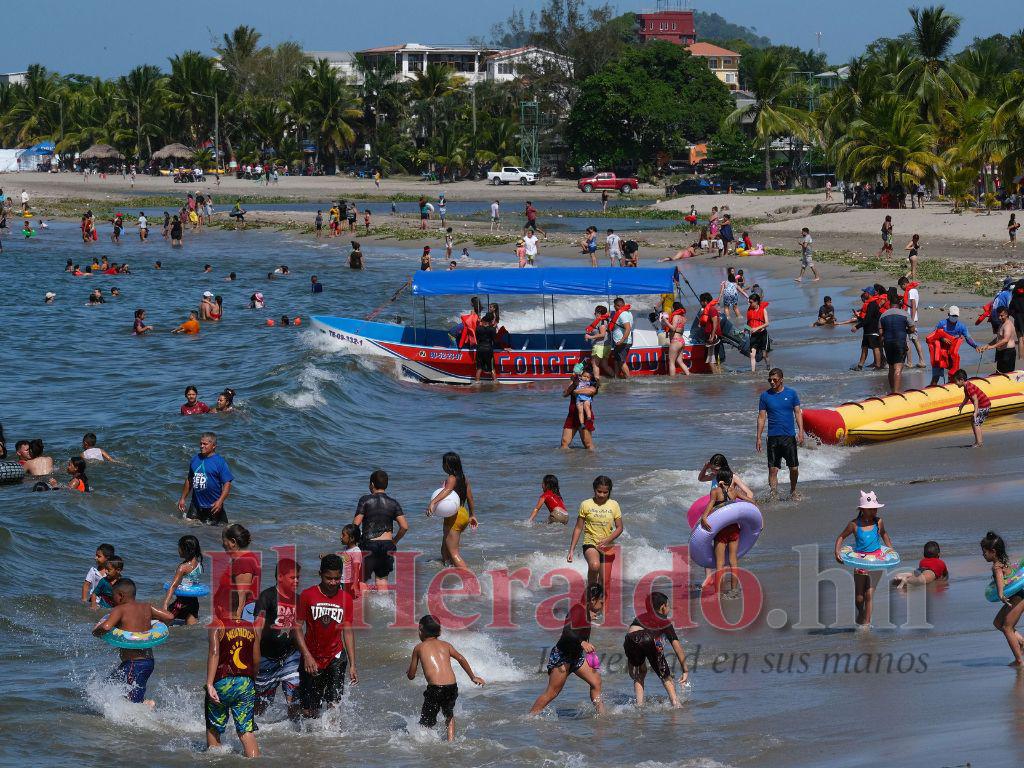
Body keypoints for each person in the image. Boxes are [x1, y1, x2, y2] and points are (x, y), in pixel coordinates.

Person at [294, 554, 358, 718]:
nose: (333, 583)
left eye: (337, 578)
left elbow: (348, 631)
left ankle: (333, 740)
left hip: (336, 656)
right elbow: (297, 627)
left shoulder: (346, 599)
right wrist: (307, 656)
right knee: (309, 710)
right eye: (328, 578)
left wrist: (352, 664)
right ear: (320, 574)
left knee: (334, 705)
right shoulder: (308, 595)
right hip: (312, 657)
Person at [93, 579, 175, 706]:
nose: (112, 600)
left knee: (132, 703)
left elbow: (106, 627)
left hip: (134, 664)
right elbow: (169, 617)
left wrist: (95, 632)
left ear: (120, 596)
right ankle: (143, 704)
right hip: (147, 662)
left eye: (112, 596)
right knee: (110, 684)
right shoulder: (147, 607)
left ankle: (148, 706)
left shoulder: (119, 609)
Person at [529, 584, 605, 715]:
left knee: (596, 682)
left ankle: (601, 716)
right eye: (601, 602)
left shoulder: (585, 612)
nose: (602, 606)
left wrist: (588, 648)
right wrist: (582, 643)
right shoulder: (577, 610)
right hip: (562, 657)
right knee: (552, 693)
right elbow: (567, 631)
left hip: (576, 657)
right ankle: (529, 717)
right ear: (593, 600)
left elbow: (581, 633)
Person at [407, 614, 485, 741]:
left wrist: (409, 671)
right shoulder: (446, 645)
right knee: (449, 715)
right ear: (440, 631)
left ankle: (425, 742)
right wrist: (473, 677)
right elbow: (460, 658)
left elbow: (411, 676)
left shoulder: (418, 648)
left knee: (426, 722)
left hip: (435, 689)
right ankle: (451, 741)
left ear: (420, 630)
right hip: (452, 687)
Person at [205, 599, 261, 757]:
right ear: (241, 606)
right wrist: (251, 682)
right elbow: (256, 660)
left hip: (222, 683)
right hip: (246, 683)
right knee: (246, 730)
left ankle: (215, 759)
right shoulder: (252, 628)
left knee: (214, 727)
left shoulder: (218, 624)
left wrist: (209, 684)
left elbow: (214, 653)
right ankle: (255, 760)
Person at [834, 490, 893, 628]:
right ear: (862, 510)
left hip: (877, 561)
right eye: (871, 508)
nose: (875, 510)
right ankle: (861, 612)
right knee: (859, 598)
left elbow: (884, 535)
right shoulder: (854, 525)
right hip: (860, 561)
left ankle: (866, 624)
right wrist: (836, 551)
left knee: (869, 594)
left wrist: (890, 550)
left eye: (875, 508)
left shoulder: (879, 522)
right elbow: (841, 537)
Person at [254, 558, 302, 721]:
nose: (297, 581)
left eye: (298, 577)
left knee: (294, 696)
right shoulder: (266, 597)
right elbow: (257, 629)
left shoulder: (298, 599)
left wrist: (308, 654)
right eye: (292, 577)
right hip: (266, 659)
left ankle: (296, 733)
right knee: (261, 707)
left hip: (290, 656)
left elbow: (300, 630)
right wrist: (253, 657)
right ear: (280, 577)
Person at [624, 591, 689, 708]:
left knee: (640, 673)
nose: (669, 608)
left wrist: (631, 665)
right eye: (668, 606)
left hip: (630, 638)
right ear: (663, 607)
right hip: (649, 639)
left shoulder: (639, 617)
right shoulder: (664, 621)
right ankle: (675, 702)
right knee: (665, 675)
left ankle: (639, 705)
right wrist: (685, 670)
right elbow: (676, 646)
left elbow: (634, 638)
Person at [699, 467, 755, 593]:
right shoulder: (734, 491)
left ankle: (718, 592)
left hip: (721, 531)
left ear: (718, 479)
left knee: (720, 563)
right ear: (730, 479)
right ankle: (734, 590)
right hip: (734, 529)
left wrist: (703, 518)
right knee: (733, 560)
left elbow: (709, 507)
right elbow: (750, 500)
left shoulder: (715, 492)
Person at [353, 469, 408, 590]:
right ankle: (384, 607)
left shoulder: (365, 500)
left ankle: (365, 607)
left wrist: (353, 544)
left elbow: (355, 525)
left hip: (369, 544)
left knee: (363, 579)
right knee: (382, 580)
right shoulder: (393, 503)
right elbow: (404, 526)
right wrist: (394, 541)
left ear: (372, 484)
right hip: (387, 544)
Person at [756, 368, 804, 501]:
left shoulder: (792, 393)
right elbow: (761, 417)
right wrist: (759, 437)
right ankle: (774, 494)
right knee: (773, 469)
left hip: (788, 436)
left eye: (774, 380)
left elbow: (798, 413)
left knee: (793, 468)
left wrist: (800, 431)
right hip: (772, 437)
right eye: (769, 380)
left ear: (781, 379)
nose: (771, 382)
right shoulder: (765, 396)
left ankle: (793, 490)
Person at [568, 475, 623, 588]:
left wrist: (608, 540)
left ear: (609, 492)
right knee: (594, 565)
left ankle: (600, 603)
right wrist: (571, 550)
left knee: (605, 583)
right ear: (594, 489)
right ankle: (590, 591)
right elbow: (578, 528)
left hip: (607, 546)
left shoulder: (614, 505)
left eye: (605, 492)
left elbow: (619, 527)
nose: (602, 495)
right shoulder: (586, 504)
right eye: (599, 491)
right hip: (590, 543)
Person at [979, 531, 1024, 666]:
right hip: (1017, 596)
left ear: (992, 551)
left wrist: (1000, 595)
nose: (983, 555)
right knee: (998, 623)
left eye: (984, 552)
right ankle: (1021, 642)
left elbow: (1000, 579)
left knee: (1007, 627)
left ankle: (1019, 660)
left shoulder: (996, 566)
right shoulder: (1004, 561)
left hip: (1018, 598)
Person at [426, 452, 476, 569]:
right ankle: (450, 573)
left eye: (443, 463)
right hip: (463, 513)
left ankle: (469, 577)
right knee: (444, 550)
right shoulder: (464, 479)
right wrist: (473, 515)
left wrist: (433, 502)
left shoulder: (451, 478)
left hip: (454, 517)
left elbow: (447, 490)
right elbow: (470, 498)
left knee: (454, 553)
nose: (442, 465)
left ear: (447, 465)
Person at [178, 431, 234, 524]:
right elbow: (189, 480)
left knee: (217, 531)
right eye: (200, 443)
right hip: (196, 504)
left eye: (205, 444)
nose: (201, 446)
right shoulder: (195, 459)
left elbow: (227, 484)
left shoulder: (220, 462)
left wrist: (220, 501)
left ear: (214, 446)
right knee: (188, 526)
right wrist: (183, 498)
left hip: (213, 505)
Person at [929, 307, 979, 385]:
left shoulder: (961, 326)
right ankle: (931, 389)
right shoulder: (942, 324)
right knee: (936, 376)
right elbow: (933, 336)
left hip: (951, 354)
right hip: (939, 353)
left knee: (954, 375)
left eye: (956, 316)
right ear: (948, 314)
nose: (954, 317)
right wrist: (942, 338)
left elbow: (968, 337)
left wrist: (975, 346)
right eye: (953, 315)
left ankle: (951, 388)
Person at [162, 535, 204, 626]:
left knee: (162, 622)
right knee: (191, 629)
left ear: (186, 549)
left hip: (180, 604)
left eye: (179, 547)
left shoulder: (183, 567)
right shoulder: (199, 565)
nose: (178, 550)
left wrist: (165, 603)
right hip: (194, 603)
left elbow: (173, 586)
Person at [879, 287, 914, 394]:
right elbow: (912, 329)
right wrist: (905, 330)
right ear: (899, 304)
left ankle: (891, 391)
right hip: (900, 342)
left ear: (890, 304)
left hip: (888, 343)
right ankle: (897, 392)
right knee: (898, 368)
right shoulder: (904, 314)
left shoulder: (883, 315)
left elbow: (881, 333)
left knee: (891, 368)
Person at [953, 369, 991, 447]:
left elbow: (975, 399)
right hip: (983, 405)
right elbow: (967, 397)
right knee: (974, 421)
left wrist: (976, 412)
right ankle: (978, 441)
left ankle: (979, 442)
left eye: (956, 381)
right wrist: (962, 405)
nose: (955, 384)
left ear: (961, 380)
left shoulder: (968, 387)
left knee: (975, 422)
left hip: (984, 405)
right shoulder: (966, 386)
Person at [561, 371, 597, 450]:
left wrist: (575, 391)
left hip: (585, 417)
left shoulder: (592, 384)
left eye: (588, 377)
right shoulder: (574, 383)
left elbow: (591, 391)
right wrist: (574, 384)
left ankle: (592, 460)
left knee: (588, 445)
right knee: (564, 443)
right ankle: (569, 460)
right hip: (572, 416)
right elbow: (564, 394)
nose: (585, 378)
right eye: (584, 376)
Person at [898, 277, 926, 367]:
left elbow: (913, 305)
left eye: (901, 286)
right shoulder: (913, 290)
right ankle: (920, 361)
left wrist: (912, 320)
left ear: (904, 284)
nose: (901, 288)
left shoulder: (911, 291)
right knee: (914, 339)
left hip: (910, 318)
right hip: (911, 317)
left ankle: (911, 362)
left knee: (910, 340)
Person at [980, 306, 1018, 374]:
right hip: (1001, 353)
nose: (999, 318)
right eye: (999, 315)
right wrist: (988, 345)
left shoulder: (1008, 325)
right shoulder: (1002, 323)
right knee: (999, 374)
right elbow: (998, 338)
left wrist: (992, 346)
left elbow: (1005, 340)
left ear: (1006, 314)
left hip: (1008, 353)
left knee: (1006, 375)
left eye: (1001, 316)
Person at [585, 305, 613, 380]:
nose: (594, 314)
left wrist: (590, 337)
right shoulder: (607, 320)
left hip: (600, 346)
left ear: (599, 314)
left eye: (595, 313)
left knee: (595, 364)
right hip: (606, 346)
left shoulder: (602, 322)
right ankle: (614, 377)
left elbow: (602, 334)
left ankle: (597, 382)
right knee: (604, 365)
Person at [745, 293, 771, 374]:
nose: (750, 304)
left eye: (751, 302)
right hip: (754, 335)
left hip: (763, 335)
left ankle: (768, 368)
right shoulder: (749, 311)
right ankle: (753, 372)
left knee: (764, 355)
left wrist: (757, 328)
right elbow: (748, 325)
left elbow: (767, 324)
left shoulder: (763, 310)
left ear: (756, 302)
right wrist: (745, 330)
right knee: (752, 355)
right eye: (749, 302)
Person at [609, 297, 634, 378]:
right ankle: (616, 377)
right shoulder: (628, 313)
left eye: (614, 306)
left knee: (621, 361)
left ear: (618, 305)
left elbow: (628, 328)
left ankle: (629, 379)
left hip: (623, 342)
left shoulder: (623, 314)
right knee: (616, 360)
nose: (614, 307)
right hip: (620, 342)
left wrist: (622, 340)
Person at [664, 301, 691, 376]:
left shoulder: (676, 316)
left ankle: (672, 381)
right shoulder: (683, 317)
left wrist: (665, 321)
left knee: (671, 362)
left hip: (675, 341)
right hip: (681, 340)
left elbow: (673, 328)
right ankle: (688, 374)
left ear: (674, 308)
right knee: (680, 361)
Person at [474, 312, 497, 383]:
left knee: (479, 368)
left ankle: (477, 382)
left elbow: (476, 338)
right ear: (490, 321)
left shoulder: (478, 328)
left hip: (480, 349)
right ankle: (495, 382)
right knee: (492, 368)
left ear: (483, 321)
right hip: (488, 349)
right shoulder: (492, 329)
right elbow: (494, 340)